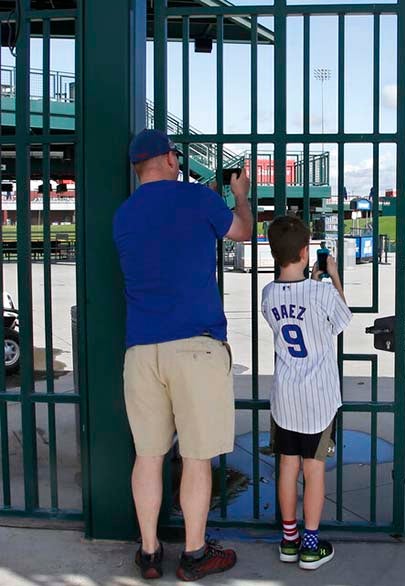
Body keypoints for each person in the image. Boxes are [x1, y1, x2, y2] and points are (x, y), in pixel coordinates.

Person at [113, 129, 253, 581]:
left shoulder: (124, 215)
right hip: (196, 345)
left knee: (148, 455)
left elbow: (162, 239)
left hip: (142, 351)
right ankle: (194, 555)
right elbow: (243, 232)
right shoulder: (198, 200)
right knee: (196, 458)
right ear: (172, 159)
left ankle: (150, 552)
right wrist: (240, 197)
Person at [261, 216, 351, 571]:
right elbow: (340, 319)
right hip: (318, 397)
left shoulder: (268, 294)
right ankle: (311, 546)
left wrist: (311, 280)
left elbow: (292, 314)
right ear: (304, 251)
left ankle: (288, 540)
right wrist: (333, 275)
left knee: (287, 466)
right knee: (314, 469)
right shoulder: (322, 292)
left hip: (286, 396)